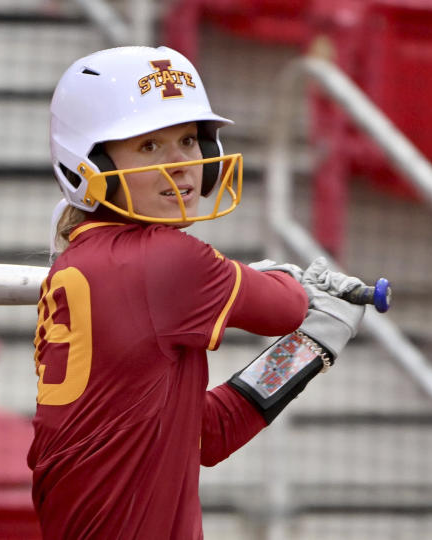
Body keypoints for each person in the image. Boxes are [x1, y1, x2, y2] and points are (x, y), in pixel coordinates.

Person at [29, 45, 366, 539]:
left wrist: (308, 349)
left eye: (188, 140)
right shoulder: (165, 260)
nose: (182, 164)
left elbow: (204, 435)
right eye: (149, 147)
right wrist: (289, 285)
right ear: (87, 162)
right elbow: (285, 307)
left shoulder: (85, 259)